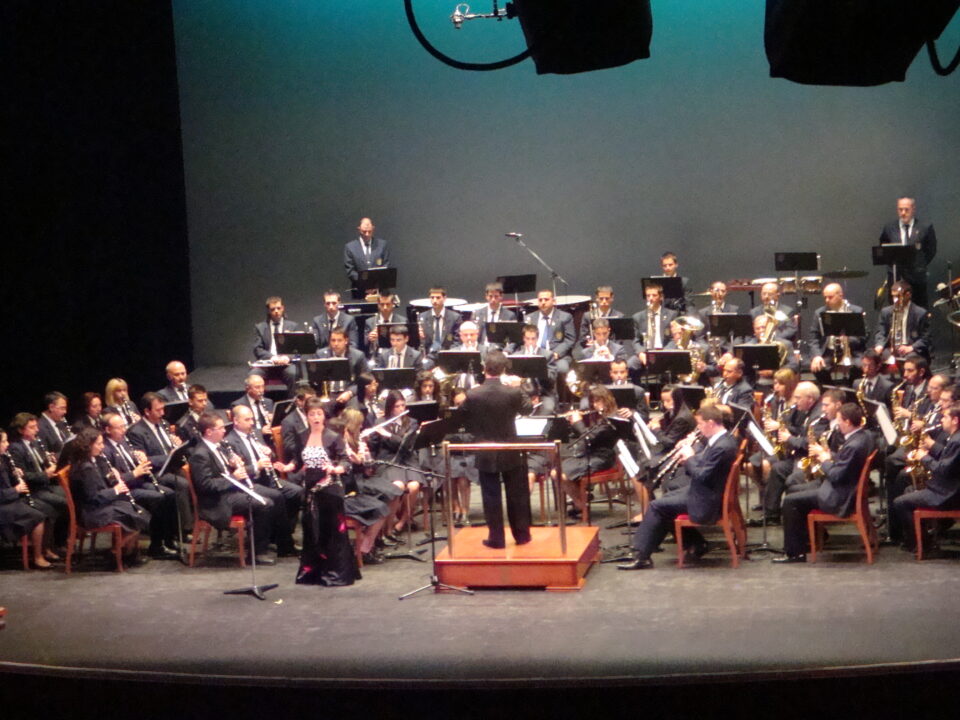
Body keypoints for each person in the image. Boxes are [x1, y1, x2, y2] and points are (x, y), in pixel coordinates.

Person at [619, 404, 738, 570]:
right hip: (705, 491)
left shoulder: (721, 446)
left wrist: (689, 458)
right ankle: (695, 543)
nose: (699, 428)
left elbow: (701, 475)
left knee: (657, 506)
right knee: (665, 500)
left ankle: (641, 555)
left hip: (706, 501)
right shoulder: (723, 440)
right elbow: (705, 467)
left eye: (700, 424)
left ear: (711, 423)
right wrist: (690, 457)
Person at [773, 403, 874, 563]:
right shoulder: (864, 436)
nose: (838, 424)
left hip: (840, 496)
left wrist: (824, 459)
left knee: (790, 501)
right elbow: (845, 462)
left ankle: (794, 553)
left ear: (847, 422)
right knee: (793, 489)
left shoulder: (854, 445)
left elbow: (835, 475)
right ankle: (804, 540)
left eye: (839, 421)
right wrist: (831, 455)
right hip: (845, 488)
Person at [458, 350, 533, 549]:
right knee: (516, 494)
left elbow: (462, 415)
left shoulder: (474, 393)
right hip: (510, 446)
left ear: (484, 369)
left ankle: (496, 538)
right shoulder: (513, 392)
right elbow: (527, 409)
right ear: (503, 370)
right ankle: (522, 535)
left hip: (485, 448)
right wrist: (520, 387)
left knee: (491, 495)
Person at [189, 412, 278, 566]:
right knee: (265, 504)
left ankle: (269, 541)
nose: (224, 430)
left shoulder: (219, 445)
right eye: (220, 428)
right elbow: (206, 485)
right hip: (217, 501)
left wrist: (233, 463)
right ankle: (257, 553)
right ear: (209, 432)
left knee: (273, 495)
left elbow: (222, 468)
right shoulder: (200, 454)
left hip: (230, 490)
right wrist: (234, 477)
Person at [292, 397, 360, 584]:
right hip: (311, 489)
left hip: (330, 489)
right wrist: (288, 466)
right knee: (312, 530)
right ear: (306, 416)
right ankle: (313, 572)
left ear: (324, 416)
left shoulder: (332, 436)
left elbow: (345, 461)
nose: (315, 417)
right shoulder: (302, 436)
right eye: (311, 414)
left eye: (319, 414)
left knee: (332, 531)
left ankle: (336, 573)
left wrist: (336, 469)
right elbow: (297, 460)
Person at [100, 412, 179, 559]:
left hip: (138, 483)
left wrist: (139, 458)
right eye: (119, 427)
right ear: (108, 430)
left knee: (170, 494)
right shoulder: (105, 450)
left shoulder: (123, 442)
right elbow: (112, 481)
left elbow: (130, 463)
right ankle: (156, 546)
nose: (124, 430)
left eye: (124, 426)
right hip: (125, 491)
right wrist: (135, 473)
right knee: (158, 498)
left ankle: (169, 539)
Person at [67, 427, 151, 561]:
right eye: (99, 444)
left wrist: (113, 476)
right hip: (91, 513)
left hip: (99, 506)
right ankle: (116, 552)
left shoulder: (95, 460)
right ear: (88, 445)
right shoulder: (85, 468)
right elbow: (93, 497)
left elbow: (104, 479)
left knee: (138, 512)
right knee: (136, 516)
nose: (103, 447)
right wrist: (116, 490)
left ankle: (125, 552)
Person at [892, 404, 960, 553]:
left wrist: (924, 457)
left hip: (949, 494)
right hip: (947, 488)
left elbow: (943, 469)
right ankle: (920, 538)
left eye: (945, 417)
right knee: (909, 489)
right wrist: (931, 447)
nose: (941, 420)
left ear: (955, 420)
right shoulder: (955, 438)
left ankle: (923, 544)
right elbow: (946, 455)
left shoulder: (957, 441)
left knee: (899, 503)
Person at [333, 408, 397, 564]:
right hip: (350, 485)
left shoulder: (357, 439)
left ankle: (372, 541)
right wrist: (360, 459)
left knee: (391, 493)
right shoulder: (341, 442)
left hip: (358, 478)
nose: (361, 427)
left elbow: (366, 464)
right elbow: (352, 464)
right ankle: (365, 547)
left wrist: (365, 455)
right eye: (359, 424)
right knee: (382, 504)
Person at [7, 412, 68, 550]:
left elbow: (39, 463)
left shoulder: (34, 443)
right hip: (32, 490)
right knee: (62, 503)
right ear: (21, 430)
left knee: (70, 495)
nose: (37, 430)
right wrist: (45, 474)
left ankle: (55, 543)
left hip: (44, 486)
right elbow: (23, 476)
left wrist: (49, 461)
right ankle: (51, 546)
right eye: (32, 427)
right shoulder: (16, 448)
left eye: (36, 426)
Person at [557, 385, 620, 519]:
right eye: (593, 401)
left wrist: (578, 422)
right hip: (587, 454)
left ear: (607, 399)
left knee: (562, 475)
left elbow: (589, 437)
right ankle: (581, 501)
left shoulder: (612, 419)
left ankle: (581, 504)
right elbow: (582, 436)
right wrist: (573, 422)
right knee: (556, 471)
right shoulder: (596, 415)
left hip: (602, 457)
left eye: (598, 401)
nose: (595, 405)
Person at [0, 429, 51, 569]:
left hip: (9, 501)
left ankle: (42, 550)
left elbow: (6, 481)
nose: (7, 444)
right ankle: (37, 557)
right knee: (38, 517)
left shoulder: (3, 458)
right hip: (3, 506)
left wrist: (14, 473)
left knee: (43, 510)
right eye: (3, 441)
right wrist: (15, 490)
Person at [878, 196, 937, 309]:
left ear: (913, 209)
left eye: (906, 209)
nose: (903, 213)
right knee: (895, 309)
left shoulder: (925, 227)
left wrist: (919, 264)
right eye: (900, 209)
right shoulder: (889, 228)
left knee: (919, 310)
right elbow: (883, 249)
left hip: (917, 279)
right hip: (895, 277)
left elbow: (931, 250)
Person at [808, 283, 866, 384]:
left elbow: (864, 335)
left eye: (830, 297)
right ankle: (829, 389)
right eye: (825, 297)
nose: (827, 300)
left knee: (860, 367)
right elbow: (813, 338)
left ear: (840, 295)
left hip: (852, 351)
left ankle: (850, 389)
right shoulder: (819, 313)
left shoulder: (856, 311)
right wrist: (816, 356)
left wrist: (847, 340)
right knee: (818, 367)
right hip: (829, 351)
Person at [872, 281, 932, 364]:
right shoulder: (886, 312)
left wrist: (911, 347)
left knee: (910, 360)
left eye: (898, 296)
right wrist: (880, 345)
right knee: (874, 358)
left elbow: (926, 338)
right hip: (890, 348)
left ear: (908, 295)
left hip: (911, 349)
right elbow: (880, 332)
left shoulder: (920, 313)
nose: (895, 300)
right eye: (893, 296)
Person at [250, 296, 300, 393]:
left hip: (286, 365)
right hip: (267, 364)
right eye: (273, 309)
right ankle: (258, 402)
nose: (276, 311)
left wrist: (287, 357)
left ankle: (293, 402)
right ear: (268, 311)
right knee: (253, 375)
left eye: (278, 308)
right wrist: (272, 357)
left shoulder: (293, 326)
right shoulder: (260, 327)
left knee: (293, 374)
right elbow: (257, 349)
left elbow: (297, 349)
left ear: (283, 308)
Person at [526, 289, 576, 376]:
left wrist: (556, 353)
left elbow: (569, 339)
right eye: (540, 300)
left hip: (556, 356)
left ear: (553, 301)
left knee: (562, 368)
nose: (543, 302)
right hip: (534, 354)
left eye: (546, 299)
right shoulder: (529, 318)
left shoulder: (565, 317)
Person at [629, 283, 677, 374]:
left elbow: (674, 338)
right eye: (648, 296)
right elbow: (635, 340)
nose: (650, 298)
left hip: (664, 351)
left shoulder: (671, 315)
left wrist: (665, 352)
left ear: (661, 297)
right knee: (631, 364)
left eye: (654, 295)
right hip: (646, 352)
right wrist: (641, 353)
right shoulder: (638, 317)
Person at [315, 328, 370, 405]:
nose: (336, 344)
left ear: (346, 341)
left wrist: (350, 392)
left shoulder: (358, 356)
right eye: (333, 340)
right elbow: (315, 378)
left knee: (353, 408)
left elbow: (365, 380)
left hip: (349, 393)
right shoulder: (320, 355)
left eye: (339, 340)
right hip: (327, 394)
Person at [344, 216, 390, 299]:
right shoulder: (350, 247)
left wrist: (375, 285)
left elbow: (386, 265)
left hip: (379, 291)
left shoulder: (382, 245)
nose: (367, 234)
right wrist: (365, 284)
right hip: (359, 291)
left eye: (369, 231)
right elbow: (350, 271)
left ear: (373, 229)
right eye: (364, 231)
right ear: (359, 229)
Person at [418, 286, 462, 369]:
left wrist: (449, 355)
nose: (435, 301)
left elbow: (457, 341)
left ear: (444, 298)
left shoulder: (455, 317)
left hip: (447, 355)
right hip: (429, 356)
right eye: (432, 298)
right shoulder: (422, 317)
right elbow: (420, 342)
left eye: (438, 298)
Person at [230, 375, 275, 440]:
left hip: (269, 437)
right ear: (248, 389)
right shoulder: (238, 405)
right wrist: (260, 432)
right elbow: (240, 429)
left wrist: (273, 420)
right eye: (257, 387)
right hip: (251, 438)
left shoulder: (268, 402)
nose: (261, 390)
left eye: (263, 386)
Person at [364, 293, 405, 358]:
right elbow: (365, 343)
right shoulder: (370, 322)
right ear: (378, 305)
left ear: (393, 304)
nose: (385, 307)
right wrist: (370, 338)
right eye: (382, 304)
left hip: (398, 354)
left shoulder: (402, 321)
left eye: (388, 304)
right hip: (377, 355)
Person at [38, 391, 71, 458]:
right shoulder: (40, 427)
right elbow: (45, 456)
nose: (65, 412)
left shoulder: (61, 423)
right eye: (62, 408)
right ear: (51, 407)